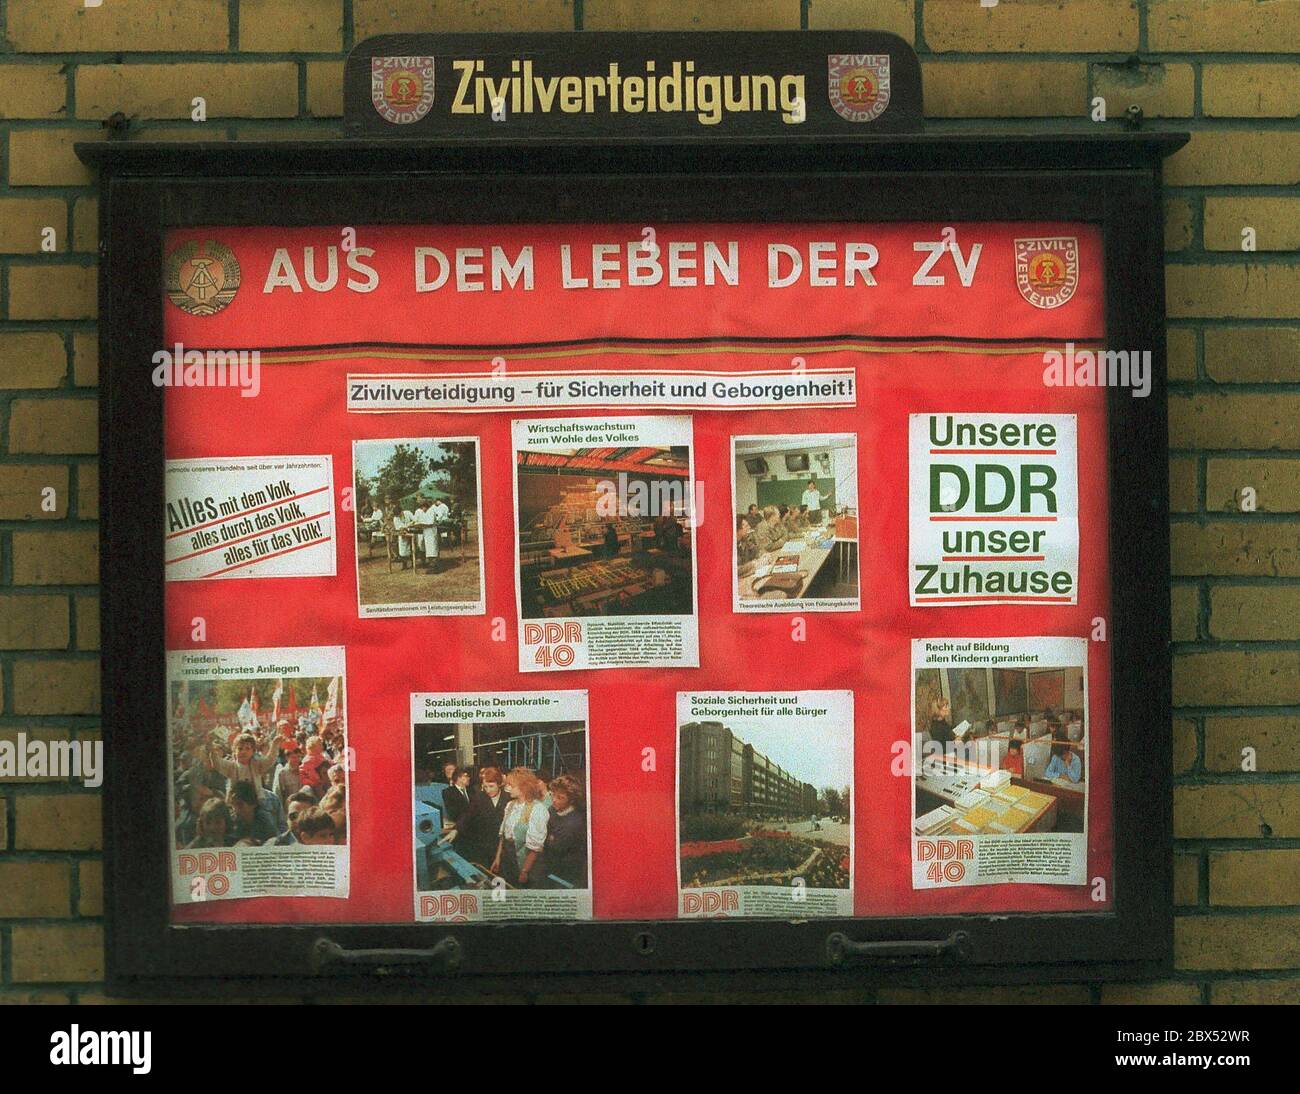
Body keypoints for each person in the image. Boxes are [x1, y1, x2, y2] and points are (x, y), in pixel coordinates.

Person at [492, 767, 548, 887]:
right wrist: (498, 859)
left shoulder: (538, 809)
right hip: (508, 858)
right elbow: (503, 836)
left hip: (527, 862)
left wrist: (524, 871)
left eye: (511, 785)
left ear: (524, 787)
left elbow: (535, 848)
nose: (507, 789)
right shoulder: (510, 805)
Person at [447, 765, 508, 867]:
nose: (488, 790)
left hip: (502, 846)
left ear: (499, 784)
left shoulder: (508, 798)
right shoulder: (479, 797)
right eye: (485, 787)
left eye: (491, 786)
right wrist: (456, 829)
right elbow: (467, 814)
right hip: (485, 845)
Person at [543, 773, 587, 889]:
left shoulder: (574, 823)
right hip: (550, 869)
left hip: (565, 876)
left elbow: (553, 845)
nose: (554, 800)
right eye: (553, 795)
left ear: (572, 800)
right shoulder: (552, 809)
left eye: (560, 798)